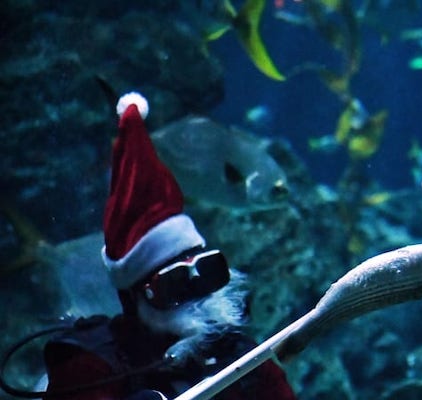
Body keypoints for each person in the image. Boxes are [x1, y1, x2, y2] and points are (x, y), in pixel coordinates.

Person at [41, 92, 297, 400]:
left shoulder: (243, 361)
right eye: (174, 283)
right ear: (136, 296)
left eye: (208, 272)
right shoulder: (90, 369)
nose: (196, 294)